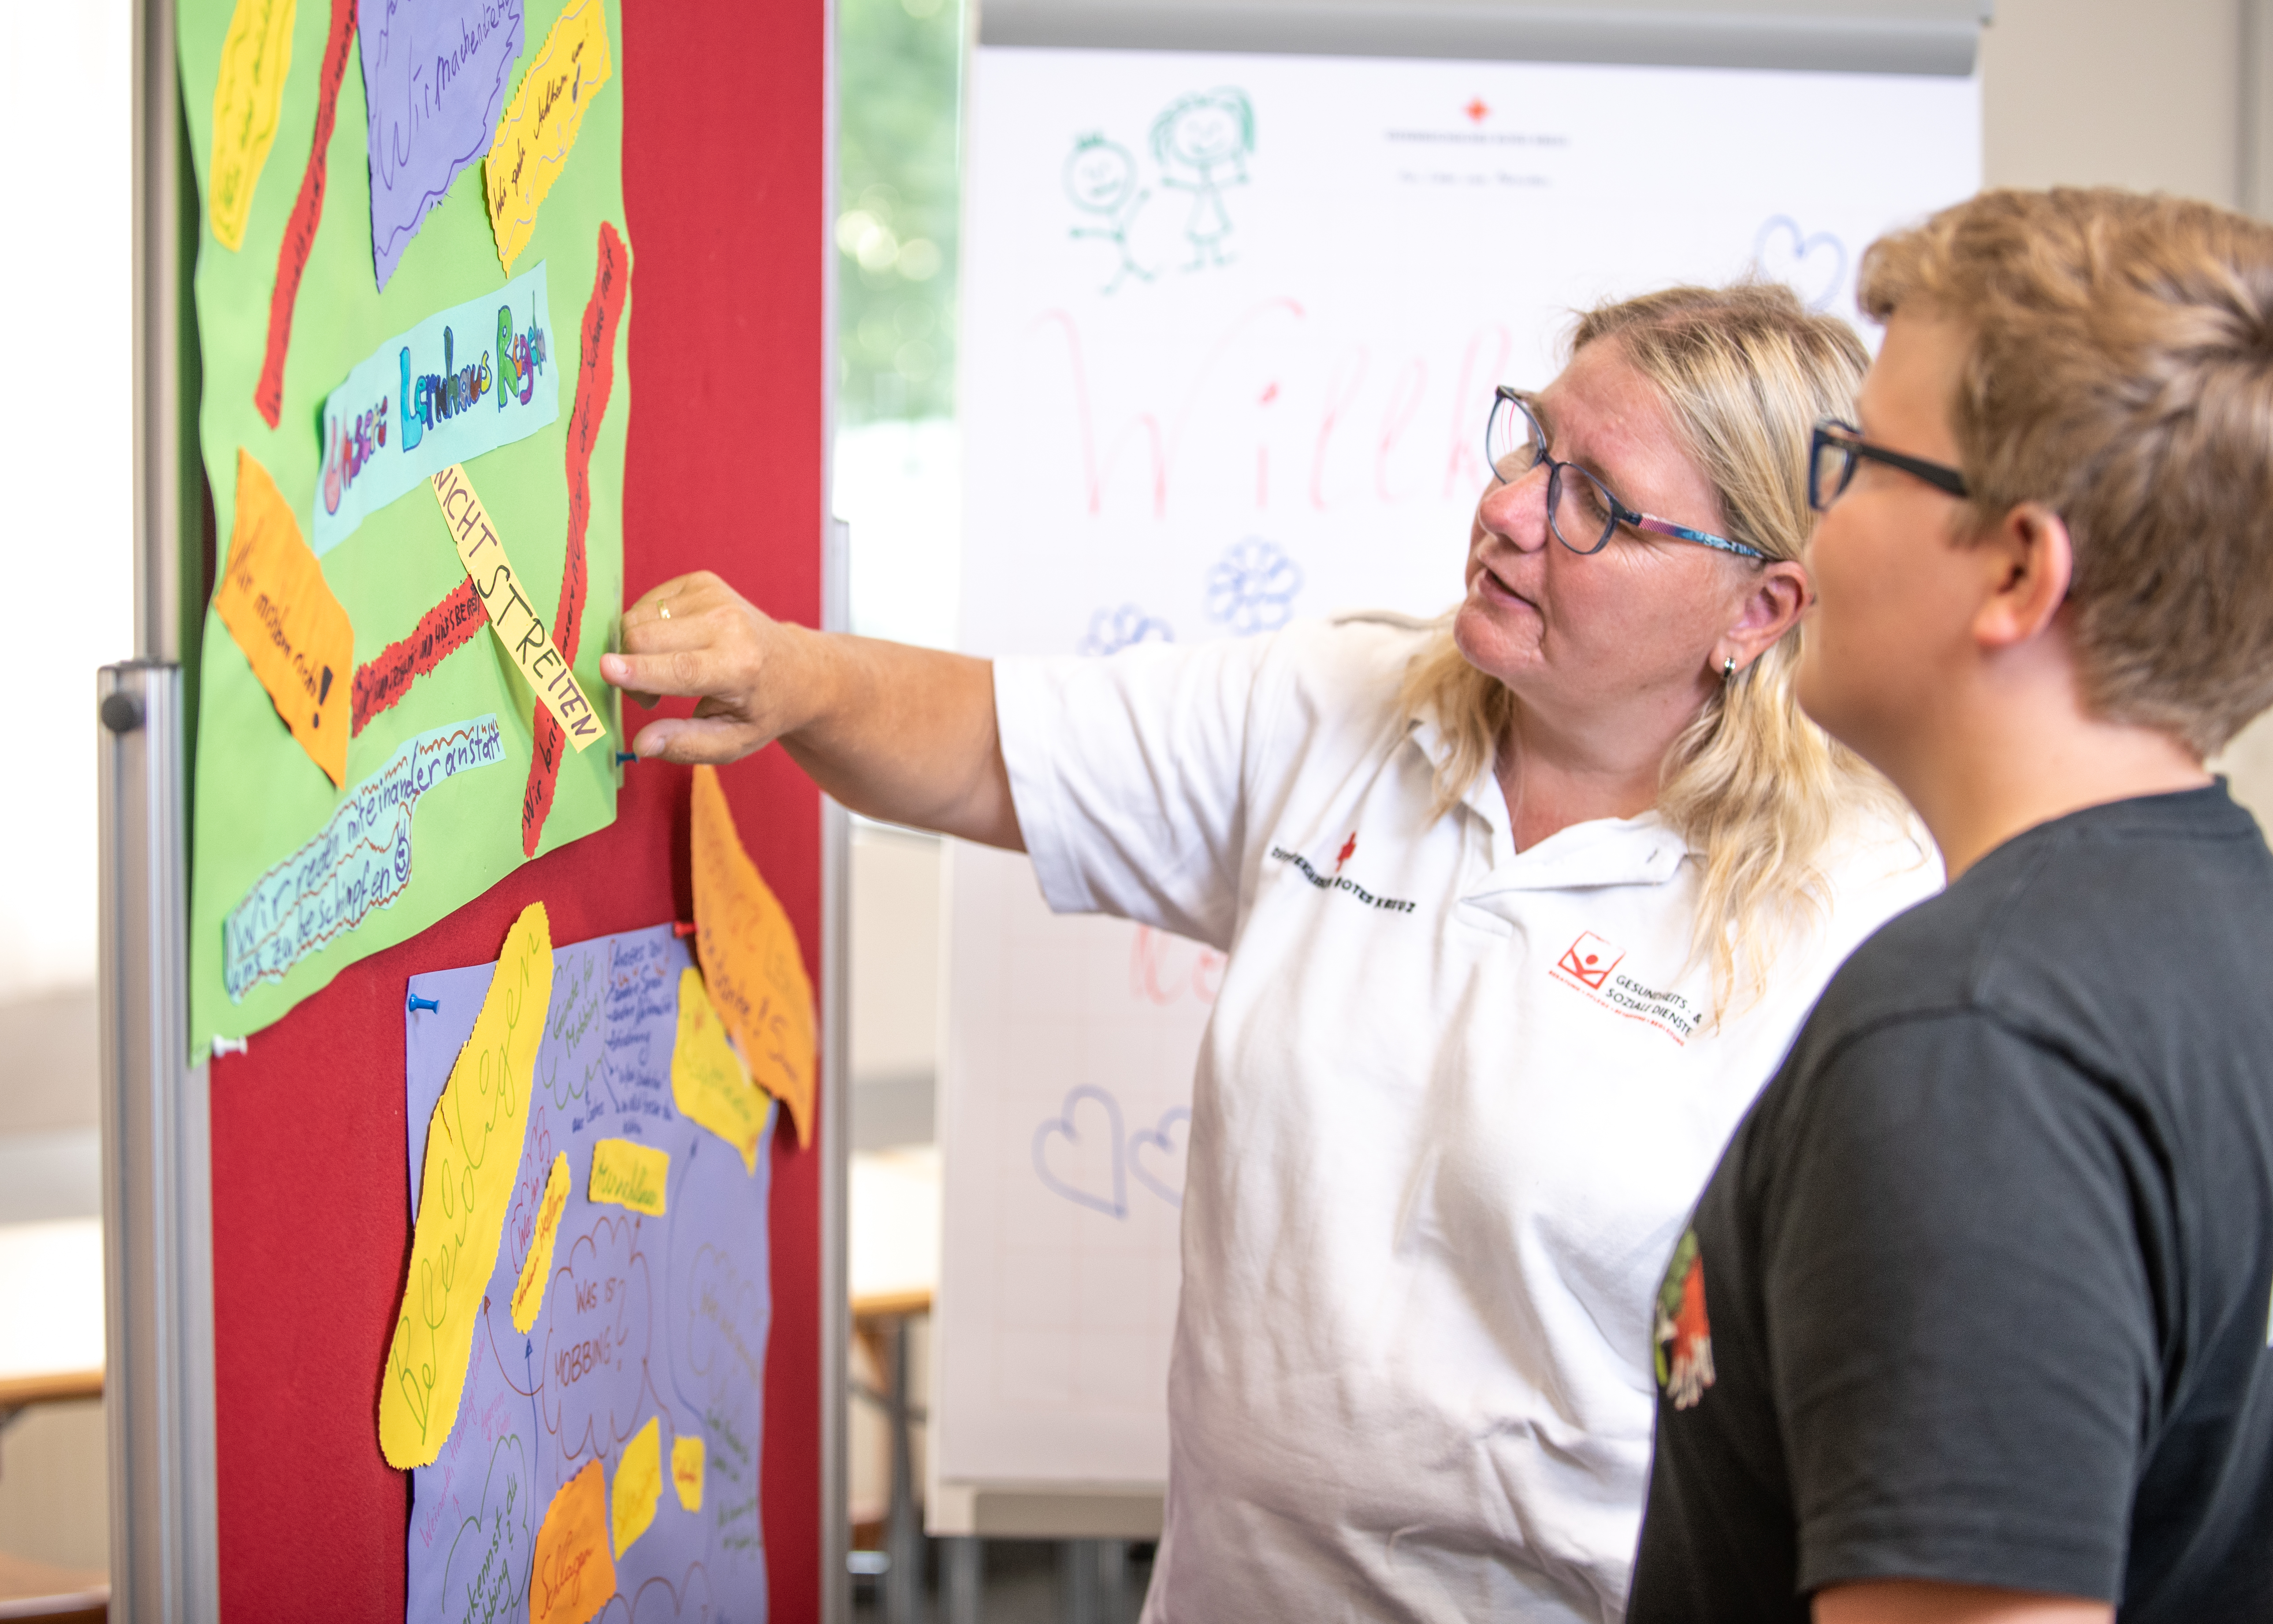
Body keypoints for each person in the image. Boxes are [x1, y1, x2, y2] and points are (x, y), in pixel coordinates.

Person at [607, 284, 1941, 1620]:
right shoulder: (1343, 705)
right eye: (1531, 442)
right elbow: (980, 745)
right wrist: (794, 672)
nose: (1514, 508)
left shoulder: (1854, 907)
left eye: (1597, 499)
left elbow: (1882, 1403)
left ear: (1757, 609)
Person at [1627, 190, 2273, 1624]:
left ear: (2015, 568)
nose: (1818, 518)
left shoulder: (1974, 1050)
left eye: (1857, 463)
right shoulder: (2263, 938)